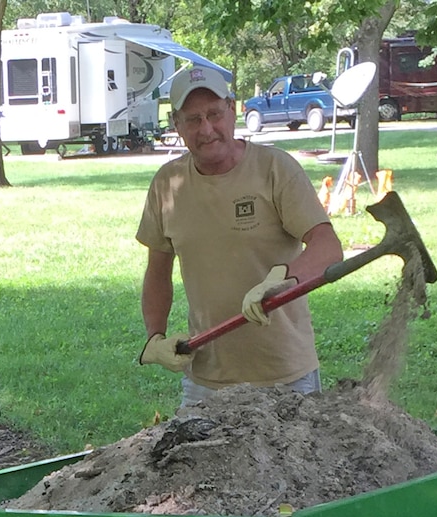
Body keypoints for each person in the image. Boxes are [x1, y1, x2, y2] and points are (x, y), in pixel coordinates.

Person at [136, 65, 344, 406]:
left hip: (285, 377)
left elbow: (328, 247)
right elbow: (157, 270)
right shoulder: (167, 184)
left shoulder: (275, 170)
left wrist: (281, 279)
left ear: (232, 110)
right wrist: (154, 338)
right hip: (206, 381)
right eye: (193, 119)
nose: (207, 129)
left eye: (215, 114)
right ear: (177, 126)